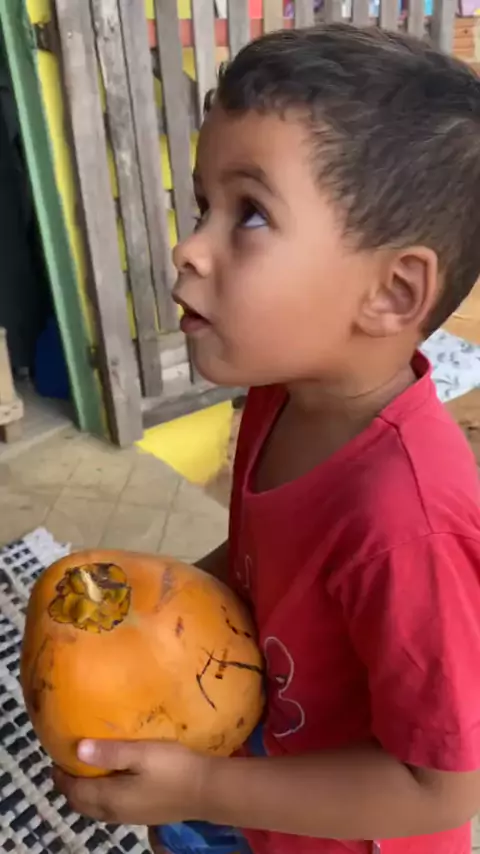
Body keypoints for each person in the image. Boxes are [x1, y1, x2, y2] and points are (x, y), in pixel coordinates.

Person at [54, 23, 480, 854]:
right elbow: (264, 564)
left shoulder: (410, 525)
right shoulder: (282, 396)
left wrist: (202, 787)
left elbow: (439, 789)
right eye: (202, 206)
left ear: (393, 293)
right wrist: (152, 611)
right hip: (259, 770)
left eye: (248, 214)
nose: (188, 248)